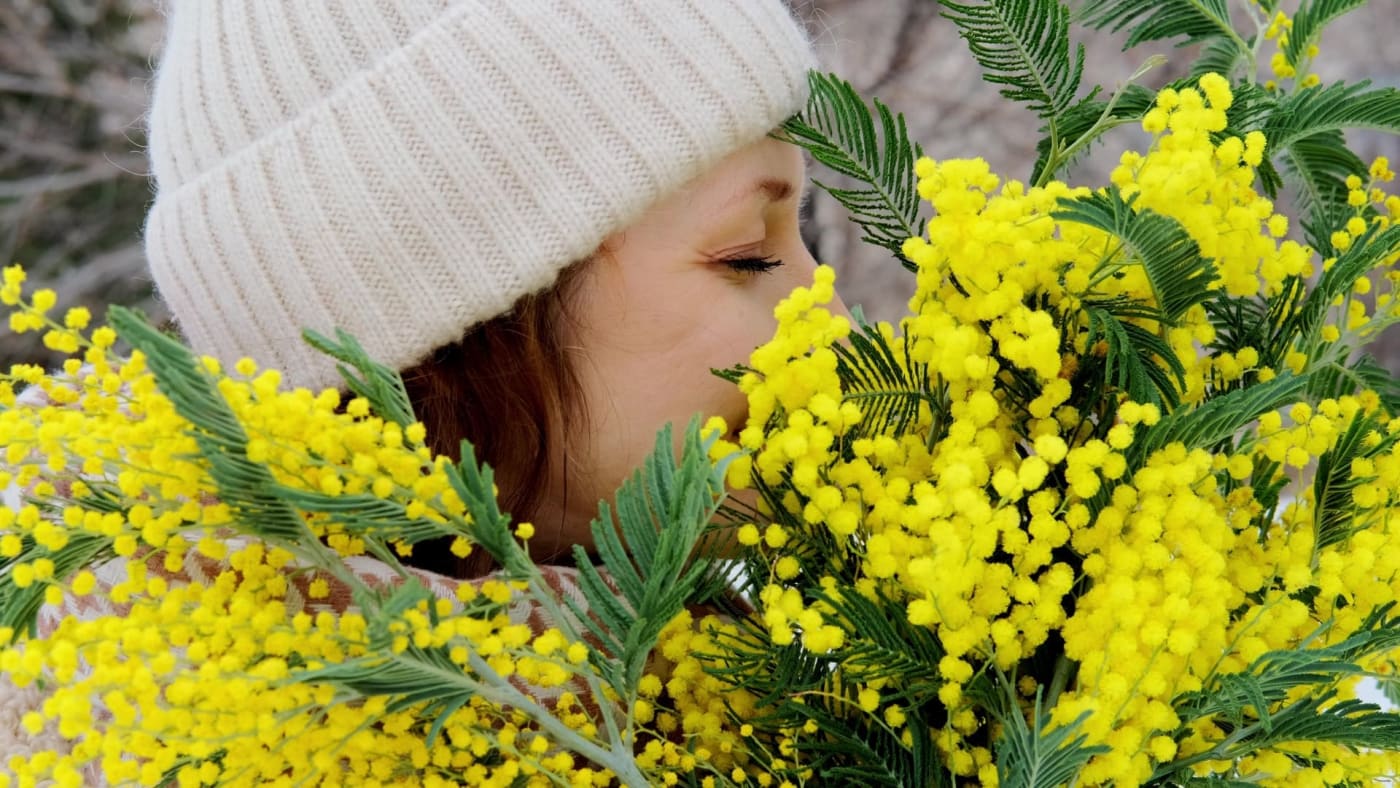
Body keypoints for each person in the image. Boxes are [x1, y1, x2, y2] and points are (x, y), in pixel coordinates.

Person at [2, 0, 845, 768]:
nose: (832, 318)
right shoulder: (231, 748)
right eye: (747, 255)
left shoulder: (783, 696)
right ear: (469, 334)